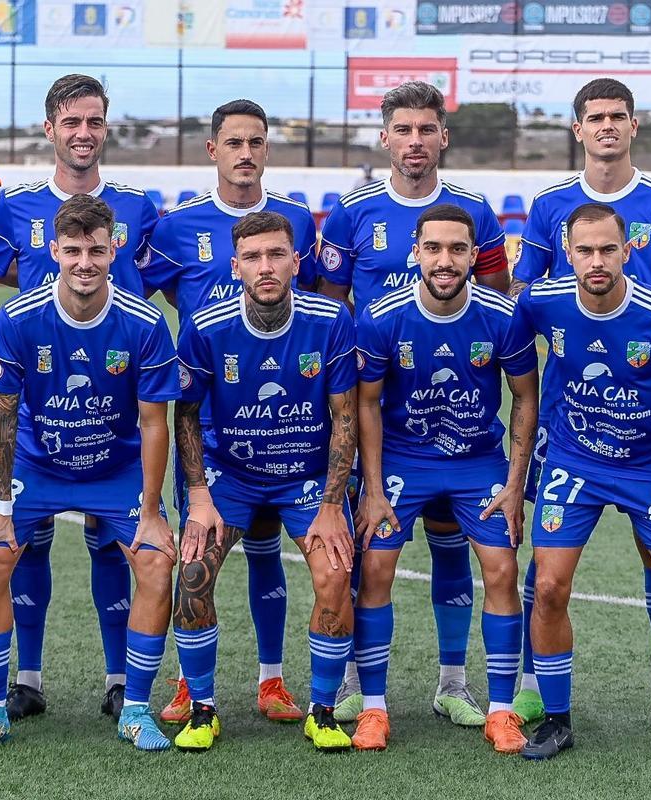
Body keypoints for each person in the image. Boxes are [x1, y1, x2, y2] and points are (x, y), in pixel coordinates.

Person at [509, 78, 651, 736]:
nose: (605, 127)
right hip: (570, 423)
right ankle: (539, 689)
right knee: (547, 568)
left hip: (647, 418)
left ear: (633, 126)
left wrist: (644, 352)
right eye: (594, 117)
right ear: (577, 129)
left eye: (616, 117)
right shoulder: (548, 205)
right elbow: (522, 302)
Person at [0, 73, 160, 723]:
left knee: (110, 542)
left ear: (106, 128)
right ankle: (30, 678)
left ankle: (118, 681)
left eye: (94, 121)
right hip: (40, 414)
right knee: (30, 541)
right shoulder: (14, 205)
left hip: (112, 406)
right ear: (50, 129)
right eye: (71, 122)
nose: (82, 133)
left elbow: (150, 290)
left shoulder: (138, 205)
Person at [318, 80, 510, 726]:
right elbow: (328, 309)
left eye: (427, 129)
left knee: (453, 548)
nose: (415, 141)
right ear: (385, 137)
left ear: (444, 136)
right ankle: (354, 683)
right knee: (367, 548)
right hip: (379, 419)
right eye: (403, 130)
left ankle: (453, 684)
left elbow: (496, 307)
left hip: (459, 420)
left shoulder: (475, 212)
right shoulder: (353, 212)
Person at [140, 98, 320, 725]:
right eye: (233, 142)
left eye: (257, 141)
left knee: (269, 549)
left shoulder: (295, 219)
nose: (246, 153)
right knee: (199, 550)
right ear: (212, 150)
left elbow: (316, 305)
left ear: (268, 149)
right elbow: (153, 298)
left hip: (284, 426)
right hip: (209, 426)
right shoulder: (175, 227)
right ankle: (193, 687)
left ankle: (272, 681)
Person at [350, 204, 539, 753]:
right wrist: (375, 487)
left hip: (477, 462)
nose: (445, 260)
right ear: (416, 252)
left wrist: (513, 480)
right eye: (433, 248)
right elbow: (365, 406)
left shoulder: (502, 316)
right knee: (377, 564)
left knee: (502, 568)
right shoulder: (382, 317)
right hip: (404, 461)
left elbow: (526, 397)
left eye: (458, 249)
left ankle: (501, 710)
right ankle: (374, 709)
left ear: (474, 255)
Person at [172, 211, 358, 753]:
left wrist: (331, 503)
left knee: (333, 572)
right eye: (253, 258)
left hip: (304, 480)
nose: (266, 267)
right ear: (235, 267)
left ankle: (322, 710)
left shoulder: (330, 319)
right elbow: (185, 413)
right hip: (230, 478)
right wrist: (200, 496)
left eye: (277, 254)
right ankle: (203, 708)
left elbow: (344, 416)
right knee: (192, 573)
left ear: (296, 261)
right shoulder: (207, 325)